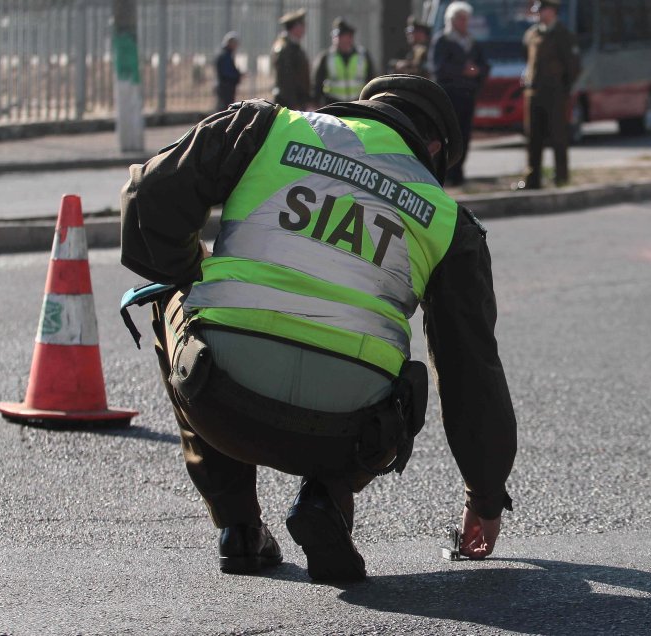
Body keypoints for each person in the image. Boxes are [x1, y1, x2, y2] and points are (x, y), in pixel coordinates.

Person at [118, 74, 518, 582]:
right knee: (387, 364)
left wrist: (186, 271)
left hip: (219, 400)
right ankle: (325, 499)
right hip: (349, 436)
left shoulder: (267, 127)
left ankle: (239, 529)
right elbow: (472, 371)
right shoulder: (448, 221)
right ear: (434, 148)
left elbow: (147, 196)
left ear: (358, 109)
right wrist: (485, 498)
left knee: (169, 294)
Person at [518, 0, 580, 190]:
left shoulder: (563, 35)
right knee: (533, 138)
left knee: (558, 136)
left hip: (554, 94)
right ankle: (532, 179)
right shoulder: (532, 34)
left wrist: (563, 89)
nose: (539, 14)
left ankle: (560, 177)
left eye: (543, 10)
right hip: (533, 93)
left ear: (552, 11)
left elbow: (573, 67)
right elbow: (526, 58)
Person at [430, 1, 489, 186]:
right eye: (461, 19)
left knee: (464, 136)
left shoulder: (472, 42)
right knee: (447, 136)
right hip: (449, 97)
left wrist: (477, 71)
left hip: (468, 96)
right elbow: (438, 67)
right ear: (452, 20)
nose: (464, 22)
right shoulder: (443, 40)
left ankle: (458, 174)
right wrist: (462, 70)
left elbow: (484, 65)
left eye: (466, 19)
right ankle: (445, 173)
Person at [312, 17, 377, 106]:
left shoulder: (363, 55)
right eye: (336, 37)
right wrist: (315, 103)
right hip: (333, 103)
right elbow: (317, 83)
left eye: (342, 36)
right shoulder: (326, 56)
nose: (338, 40)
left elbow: (372, 79)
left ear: (350, 38)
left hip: (358, 102)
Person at [272, 9, 311, 110]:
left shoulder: (294, 46)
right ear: (295, 28)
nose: (304, 29)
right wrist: (294, 104)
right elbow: (286, 80)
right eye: (302, 25)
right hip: (289, 104)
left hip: (297, 102)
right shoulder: (285, 48)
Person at [213, 31, 243, 110]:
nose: (236, 45)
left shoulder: (227, 54)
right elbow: (227, 72)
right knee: (224, 109)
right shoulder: (224, 55)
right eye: (235, 43)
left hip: (226, 87)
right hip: (225, 87)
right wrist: (238, 75)